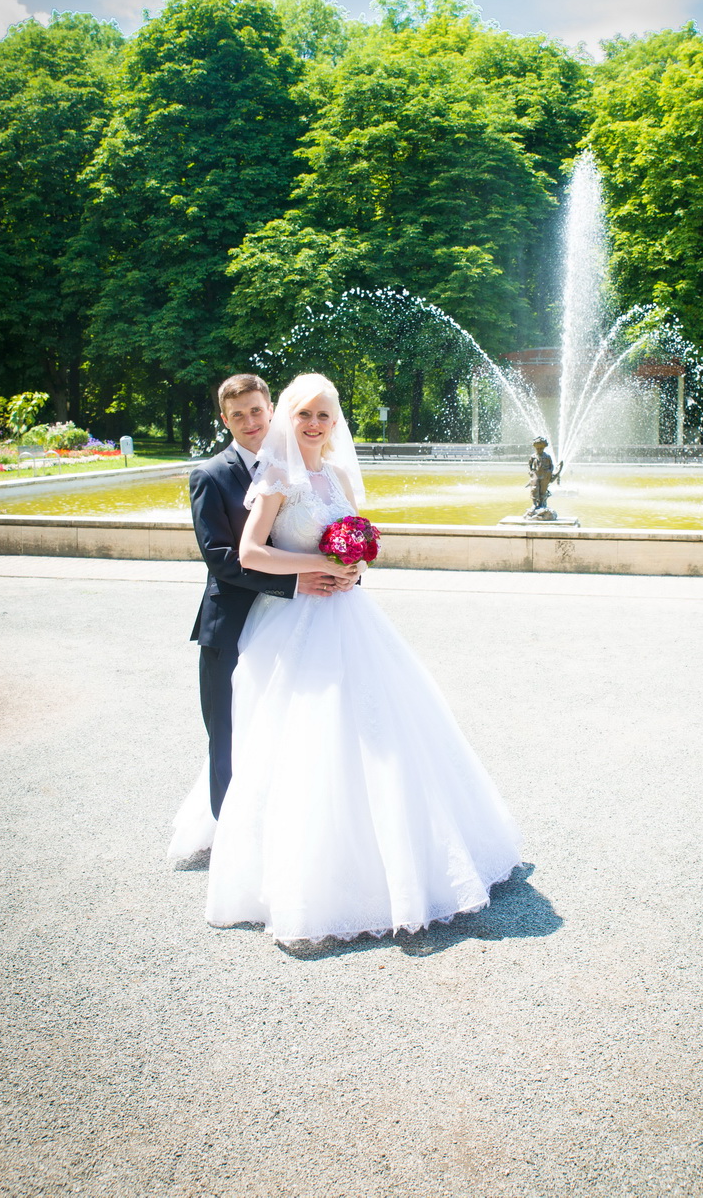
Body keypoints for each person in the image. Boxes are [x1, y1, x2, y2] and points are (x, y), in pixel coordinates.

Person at [204, 372, 521, 944]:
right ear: (288, 418)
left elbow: (354, 535)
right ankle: (301, 867)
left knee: (380, 729)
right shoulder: (276, 475)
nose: (315, 424)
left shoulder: (340, 475)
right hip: (295, 619)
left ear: (335, 421)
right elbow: (250, 552)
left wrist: (354, 565)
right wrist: (310, 574)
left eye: (325, 415)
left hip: (349, 615)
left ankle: (397, 855)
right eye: (304, 415)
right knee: (304, 739)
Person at [186, 373, 356, 820]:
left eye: (257, 411)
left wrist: (349, 571)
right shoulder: (211, 475)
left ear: (270, 411)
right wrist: (297, 581)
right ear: (226, 420)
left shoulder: (316, 467)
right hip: (234, 619)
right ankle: (230, 833)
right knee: (230, 729)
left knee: (309, 725)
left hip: (311, 611)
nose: (250, 421)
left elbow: (339, 538)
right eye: (238, 414)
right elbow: (223, 558)